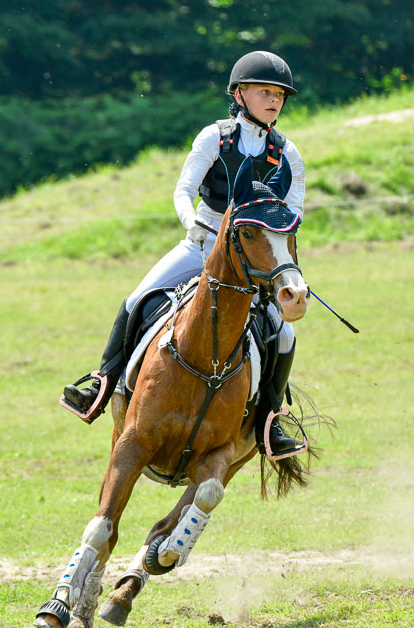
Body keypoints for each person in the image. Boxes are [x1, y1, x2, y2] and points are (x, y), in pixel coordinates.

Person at [63, 50, 305, 455]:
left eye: (279, 94)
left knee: (284, 334)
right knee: (137, 299)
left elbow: (294, 211)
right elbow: (183, 190)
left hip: (250, 262)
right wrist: (190, 222)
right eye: (265, 91)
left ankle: (268, 421)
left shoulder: (287, 154)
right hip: (202, 244)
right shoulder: (215, 137)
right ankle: (102, 384)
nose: (274, 100)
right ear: (240, 94)